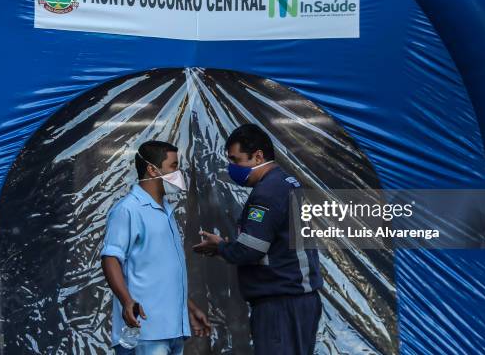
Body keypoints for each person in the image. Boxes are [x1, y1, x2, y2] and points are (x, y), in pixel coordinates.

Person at [192, 124, 323, 355]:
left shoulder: (267, 192)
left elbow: (251, 249)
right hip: (301, 299)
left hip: (280, 303)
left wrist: (220, 247)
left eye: (236, 160)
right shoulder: (288, 182)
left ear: (258, 156)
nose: (232, 167)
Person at [101, 140, 211, 355]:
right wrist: (126, 301)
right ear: (152, 169)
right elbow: (110, 258)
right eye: (173, 166)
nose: (178, 173)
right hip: (146, 332)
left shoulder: (165, 211)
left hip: (172, 330)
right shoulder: (128, 210)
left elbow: (160, 271)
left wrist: (188, 308)